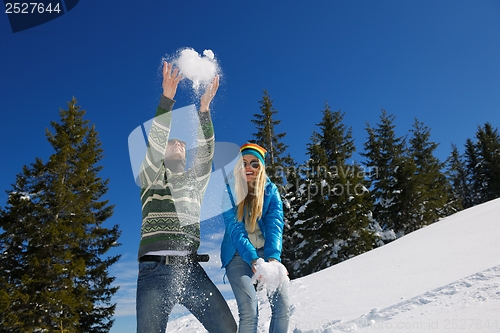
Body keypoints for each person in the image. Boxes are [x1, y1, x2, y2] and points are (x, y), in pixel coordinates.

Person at [136, 61, 237, 333]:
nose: (178, 144)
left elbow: (206, 153)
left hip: (190, 270)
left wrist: (204, 109)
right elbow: (155, 143)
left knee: (227, 328)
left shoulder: (194, 183)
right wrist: (167, 100)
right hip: (153, 272)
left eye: (182, 143)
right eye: (172, 143)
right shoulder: (150, 178)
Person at [220, 143, 290, 333]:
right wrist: (252, 258)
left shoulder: (270, 190)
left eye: (254, 163)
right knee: (250, 310)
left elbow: (274, 224)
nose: (248, 167)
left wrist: (273, 259)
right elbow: (235, 229)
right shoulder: (228, 191)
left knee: (283, 307)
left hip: (266, 253)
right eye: (243, 163)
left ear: (261, 167)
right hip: (237, 254)